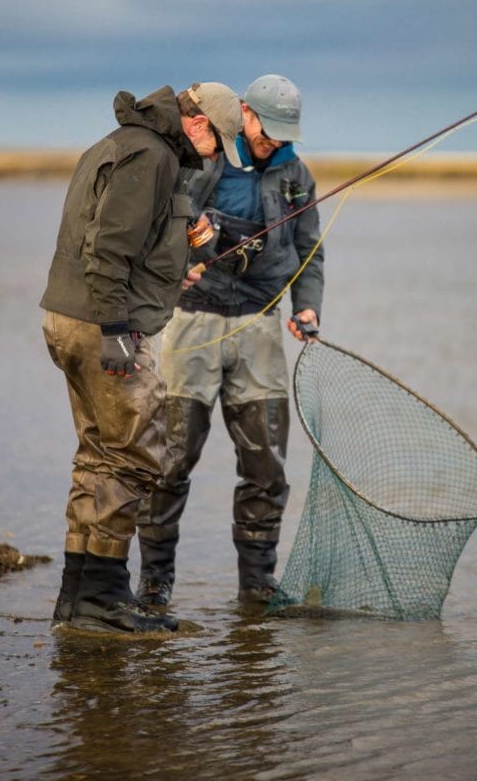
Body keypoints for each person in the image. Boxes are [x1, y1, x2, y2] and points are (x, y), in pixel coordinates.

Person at [41, 81, 243, 634]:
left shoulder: (123, 143)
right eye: (218, 143)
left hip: (72, 318)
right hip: (100, 325)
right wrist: (117, 333)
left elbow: (126, 243)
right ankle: (104, 596)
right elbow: (107, 249)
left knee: (98, 454)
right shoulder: (150, 155)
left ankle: (79, 598)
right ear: (197, 122)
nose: (215, 157)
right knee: (134, 454)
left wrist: (181, 262)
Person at [137, 74, 324, 606]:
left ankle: (257, 586)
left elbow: (311, 249)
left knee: (267, 466)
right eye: (269, 131)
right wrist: (188, 258)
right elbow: (162, 223)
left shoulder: (295, 174)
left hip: (261, 325)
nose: (276, 142)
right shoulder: (202, 158)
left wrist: (306, 304)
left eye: (286, 134)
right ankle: (155, 582)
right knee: (170, 458)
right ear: (245, 113)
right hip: (191, 321)